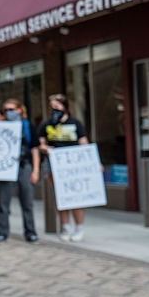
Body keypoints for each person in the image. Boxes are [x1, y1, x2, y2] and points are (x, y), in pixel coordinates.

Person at [35, 93, 90, 242]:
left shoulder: (75, 123)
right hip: (54, 163)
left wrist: (92, 162)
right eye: (52, 106)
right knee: (60, 196)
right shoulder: (47, 124)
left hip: (73, 164)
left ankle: (79, 227)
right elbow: (40, 144)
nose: (54, 109)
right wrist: (46, 149)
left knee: (76, 196)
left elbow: (84, 143)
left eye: (57, 106)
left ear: (64, 106)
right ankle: (65, 226)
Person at [0, 99, 39, 243]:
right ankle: (2, 232)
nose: (9, 113)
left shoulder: (28, 126)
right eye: (6, 110)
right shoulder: (0, 127)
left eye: (12, 109)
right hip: (5, 168)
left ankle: (30, 232)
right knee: (3, 202)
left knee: (27, 202)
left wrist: (35, 170)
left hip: (24, 165)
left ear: (20, 110)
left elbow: (35, 149)